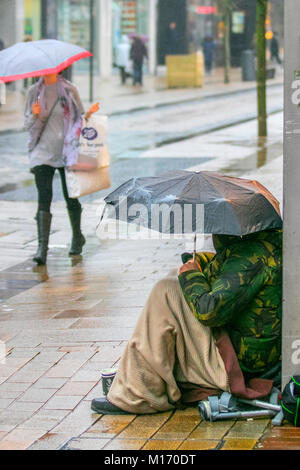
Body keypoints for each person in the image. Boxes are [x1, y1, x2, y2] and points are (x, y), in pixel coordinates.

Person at [91, 228, 282, 415]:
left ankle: (137, 395)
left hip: (241, 363)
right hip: (246, 345)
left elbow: (209, 311)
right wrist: (199, 262)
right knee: (175, 279)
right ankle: (141, 377)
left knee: (166, 290)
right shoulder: (260, 246)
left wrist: (191, 275)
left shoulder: (253, 256)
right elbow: (228, 275)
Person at [24, 72, 99, 265]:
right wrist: (35, 115)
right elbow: (27, 125)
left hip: (68, 151)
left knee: (70, 196)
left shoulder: (69, 90)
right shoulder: (33, 92)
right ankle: (42, 248)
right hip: (42, 151)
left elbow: (81, 119)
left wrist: (89, 114)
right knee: (44, 196)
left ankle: (77, 236)